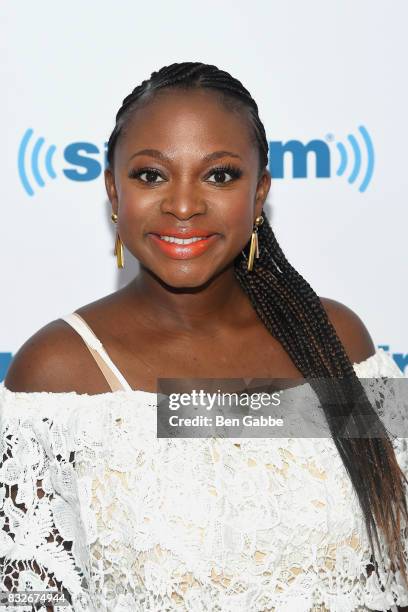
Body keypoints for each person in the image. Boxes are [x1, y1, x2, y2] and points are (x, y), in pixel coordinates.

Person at [1, 61, 408, 612]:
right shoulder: (58, 372)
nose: (184, 205)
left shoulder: (337, 340)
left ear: (259, 192)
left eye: (219, 175)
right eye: (151, 174)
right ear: (113, 192)